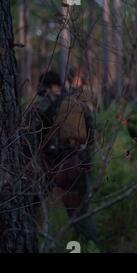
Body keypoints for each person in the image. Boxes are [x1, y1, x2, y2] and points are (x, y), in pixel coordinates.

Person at [27, 70, 100, 248]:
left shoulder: (40, 106)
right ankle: (88, 246)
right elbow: (92, 134)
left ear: (47, 86)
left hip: (49, 167)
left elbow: (28, 140)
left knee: (29, 208)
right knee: (80, 214)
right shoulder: (78, 103)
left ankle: (33, 244)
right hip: (77, 163)